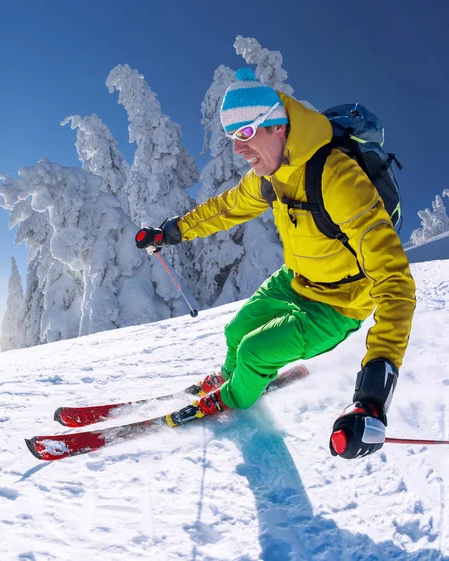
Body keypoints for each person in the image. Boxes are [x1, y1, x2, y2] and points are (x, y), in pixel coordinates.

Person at [135, 68, 416, 460]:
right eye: (233, 138)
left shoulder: (337, 177)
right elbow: (227, 207)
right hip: (296, 281)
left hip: (338, 304)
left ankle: (234, 398)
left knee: (253, 351)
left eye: (246, 134)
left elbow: (395, 281)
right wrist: (171, 232)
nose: (238, 149)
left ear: (278, 126)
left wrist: (372, 396)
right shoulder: (269, 174)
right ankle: (234, 379)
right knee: (237, 332)